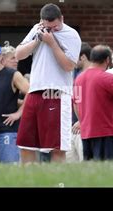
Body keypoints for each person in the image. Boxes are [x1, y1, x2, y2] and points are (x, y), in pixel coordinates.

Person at [15, 3, 81, 163]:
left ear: (62, 19)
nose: (51, 30)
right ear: (41, 22)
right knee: (26, 144)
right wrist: (37, 39)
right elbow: (18, 54)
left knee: (56, 146)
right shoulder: (37, 29)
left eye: (55, 27)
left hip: (57, 93)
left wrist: (52, 43)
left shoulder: (72, 35)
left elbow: (69, 65)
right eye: (48, 27)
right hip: (34, 91)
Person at [74, 45, 113, 160]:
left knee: (91, 168)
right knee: (107, 168)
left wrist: (83, 122)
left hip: (86, 132)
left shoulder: (78, 79)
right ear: (107, 60)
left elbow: (76, 103)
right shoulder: (108, 78)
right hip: (106, 132)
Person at [66, 42, 91, 162]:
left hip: (84, 128)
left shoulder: (91, 75)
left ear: (83, 57)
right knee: (71, 169)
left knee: (85, 164)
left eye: (74, 56)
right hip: (71, 127)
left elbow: (93, 103)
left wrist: (82, 121)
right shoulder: (76, 75)